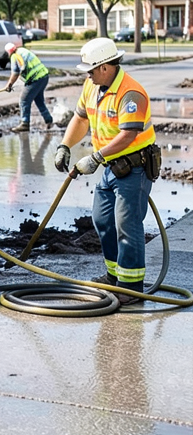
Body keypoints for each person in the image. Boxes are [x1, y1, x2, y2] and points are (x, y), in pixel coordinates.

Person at [53, 38, 159, 305]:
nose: (87, 75)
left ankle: (131, 286)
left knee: (127, 224)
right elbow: (80, 119)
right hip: (112, 167)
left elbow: (128, 134)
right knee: (102, 220)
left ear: (104, 67)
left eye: (90, 70)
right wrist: (65, 145)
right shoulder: (92, 86)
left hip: (134, 167)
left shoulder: (131, 93)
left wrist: (95, 157)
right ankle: (114, 276)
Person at [4, 42, 53, 132]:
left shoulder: (14, 56)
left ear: (8, 52)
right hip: (44, 76)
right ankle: (48, 119)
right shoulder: (22, 50)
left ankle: (25, 124)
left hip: (35, 79)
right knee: (39, 100)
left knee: (24, 100)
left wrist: (9, 85)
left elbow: (15, 73)